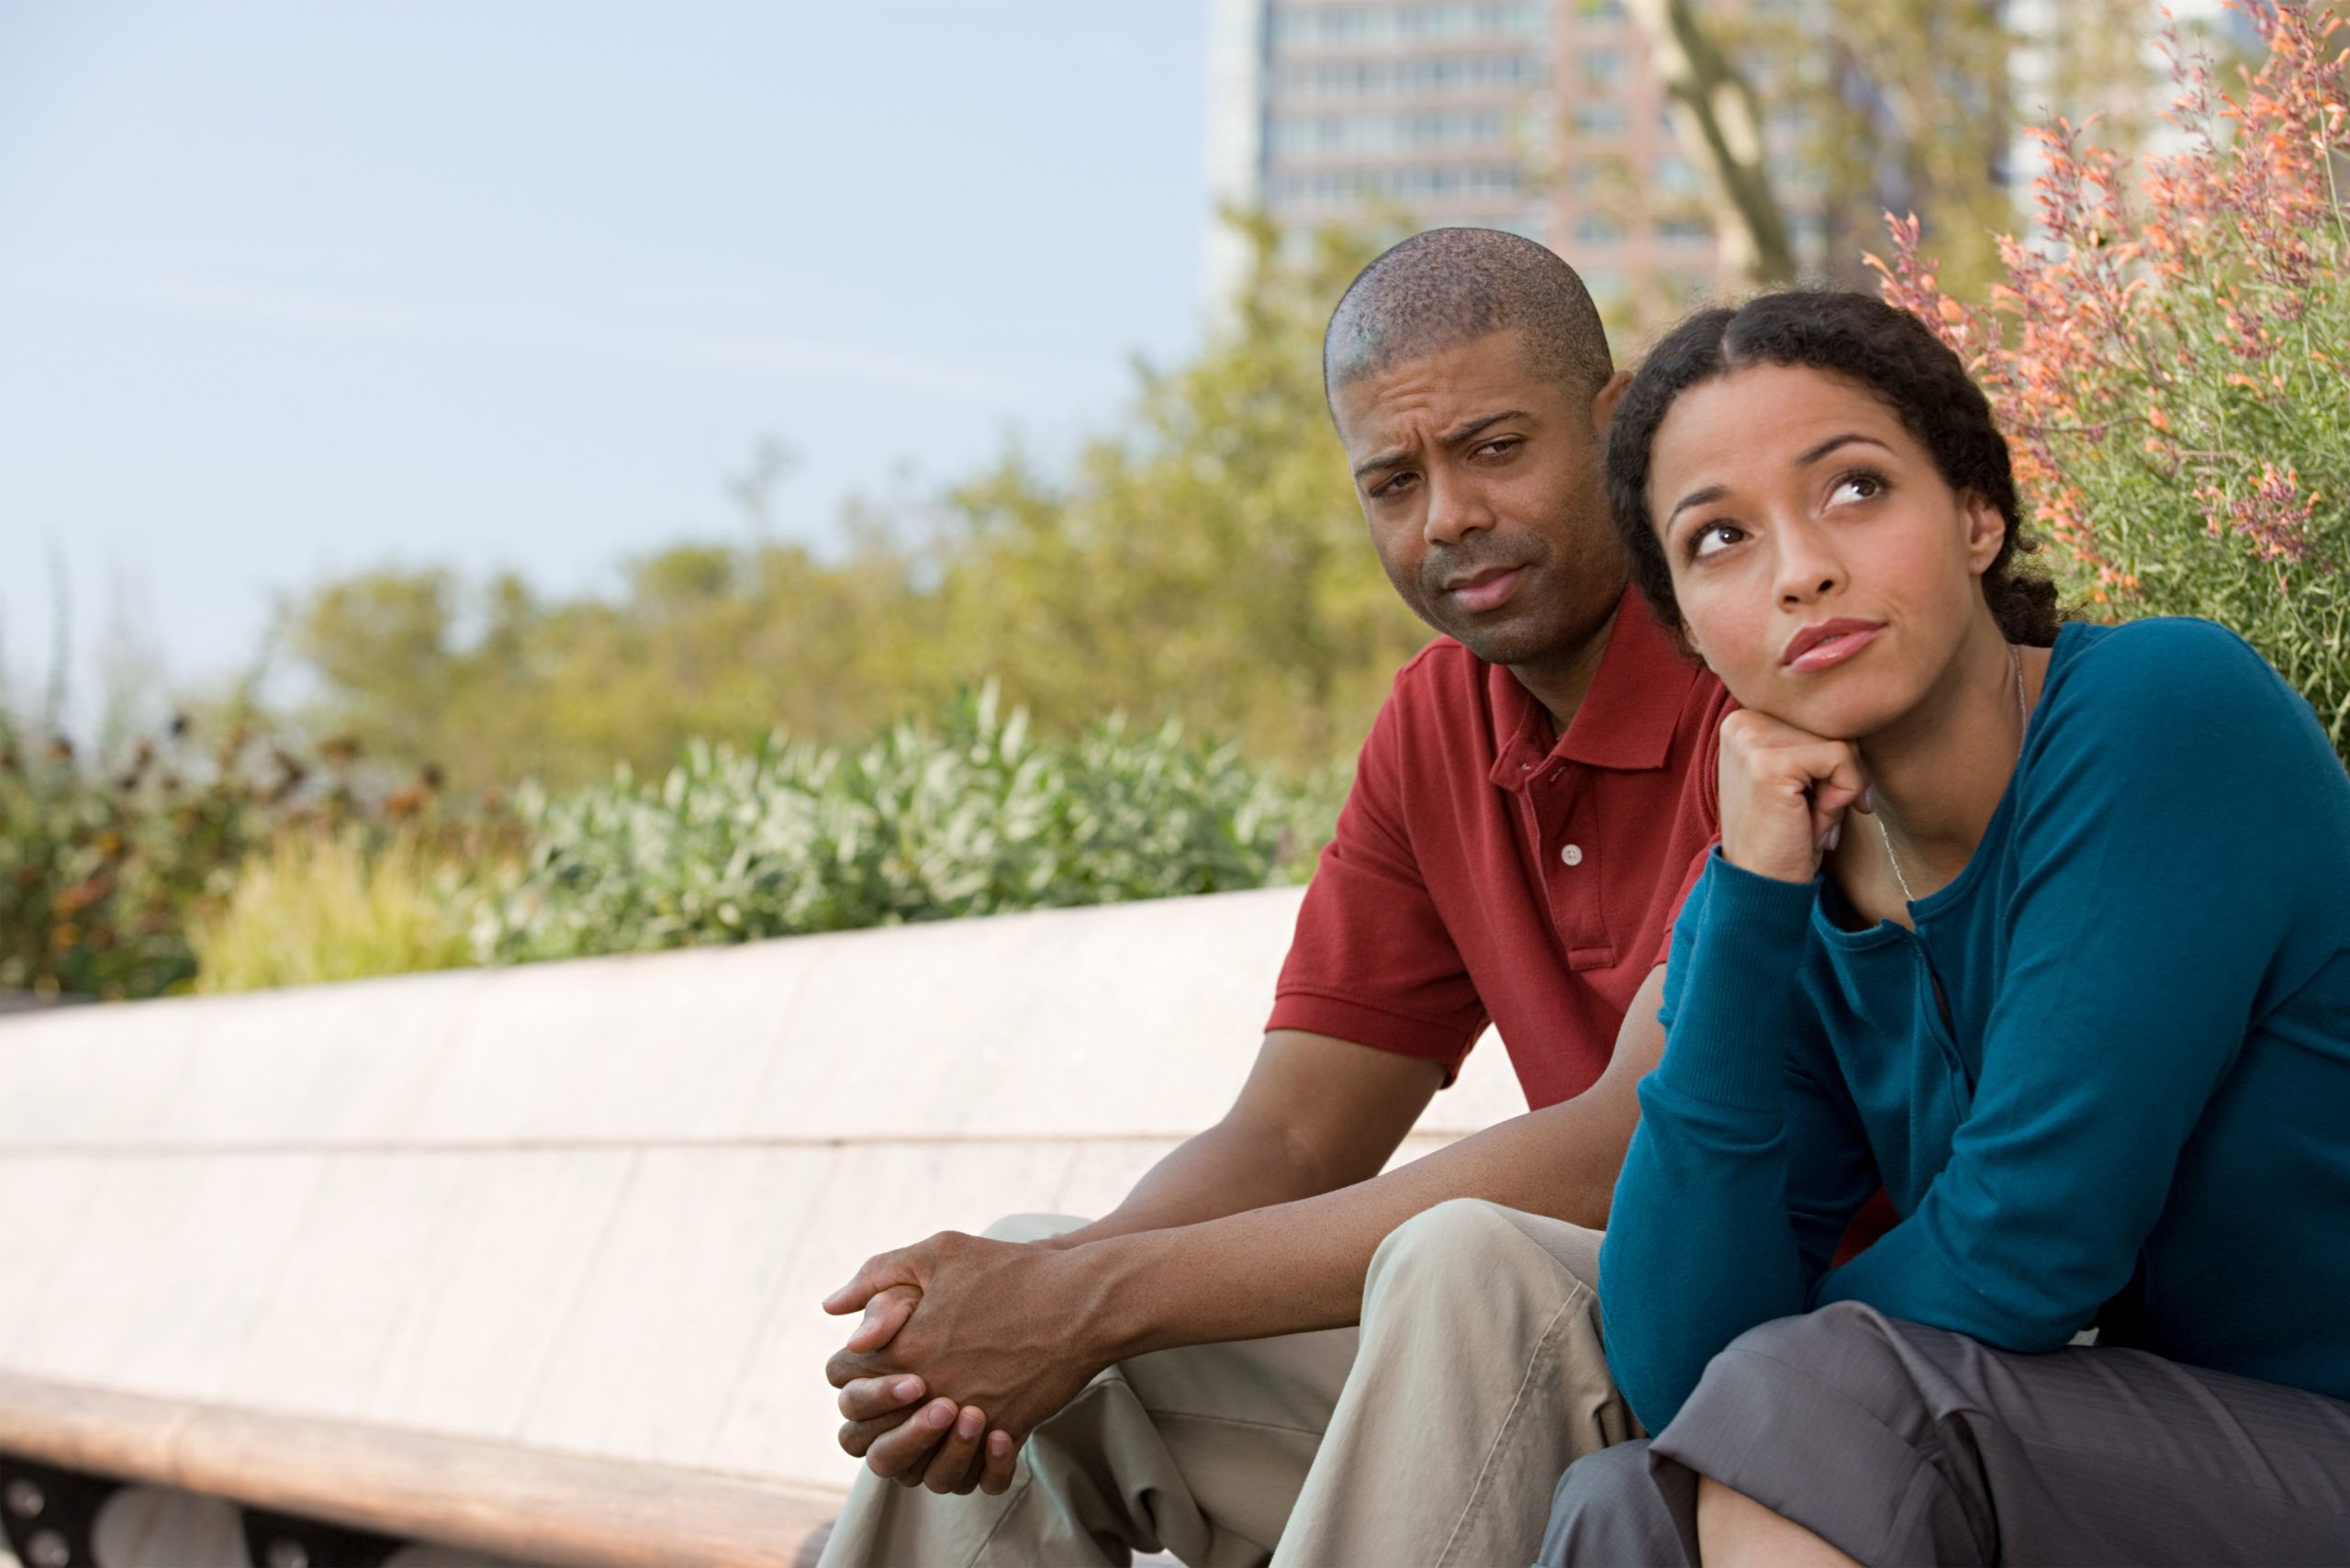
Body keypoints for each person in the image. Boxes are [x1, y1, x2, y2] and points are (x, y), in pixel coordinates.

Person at [812, 228, 1735, 1567]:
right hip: (1558, 1381)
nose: (1447, 519)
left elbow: (1631, 1147)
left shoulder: (1755, 660)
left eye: (1493, 449)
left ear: (1617, 423)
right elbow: (1296, 1136)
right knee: (1042, 1296)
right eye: (1392, 480)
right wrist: (1029, 1308)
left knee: (1467, 1266)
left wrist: (1090, 1298)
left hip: (1786, 1358)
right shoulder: (1437, 722)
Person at [1537, 289, 2350, 1566]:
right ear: (1693, 635)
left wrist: (1787, 1361)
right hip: (2112, 1461)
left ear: (1977, 513)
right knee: (1621, 1499)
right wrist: (1752, 906)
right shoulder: (1772, 884)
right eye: (1720, 541)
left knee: (1819, 1402)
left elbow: (2027, 1249)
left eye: (1855, 489)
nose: (1801, 568)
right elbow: (1676, 1364)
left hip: (2319, 1443)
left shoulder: (2164, 717)